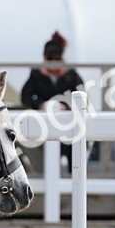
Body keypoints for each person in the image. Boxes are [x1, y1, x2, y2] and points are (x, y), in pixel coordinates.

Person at [21, 31, 86, 169]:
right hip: (43, 125)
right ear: (45, 59)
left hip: (68, 125)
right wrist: (41, 105)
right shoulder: (36, 74)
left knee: (74, 146)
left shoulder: (72, 75)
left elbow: (82, 98)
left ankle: (73, 173)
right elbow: (25, 97)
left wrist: (65, 107)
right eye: (51, 61)